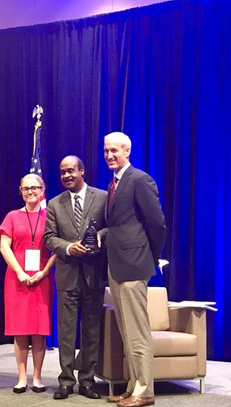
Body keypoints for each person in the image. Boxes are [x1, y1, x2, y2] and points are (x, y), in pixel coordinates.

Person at [103, 132, 166, 407]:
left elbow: (157, 224)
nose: (109, 155)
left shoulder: (139, 179)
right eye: (106, 151)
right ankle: (133, 386)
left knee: (138, 332)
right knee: (126, 332)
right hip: (116, 266)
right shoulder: (114, 183)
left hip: (134, 265)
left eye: (114, 150)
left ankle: (145, 390)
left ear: (127, 151)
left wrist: (150, 257)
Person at [44, 155, 107, 400]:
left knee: (92, 331)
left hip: (94, 275)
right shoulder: (54, 203)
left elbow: (112, 227)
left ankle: (87, 381)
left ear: (82, 171)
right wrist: (70, 247)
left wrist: (98, 238)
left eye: (71, 170)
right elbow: (49, 237)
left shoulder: (102, 197)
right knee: (66, 332)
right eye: (62, 172)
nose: (66, 175)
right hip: (67, 275)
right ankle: (66, 381)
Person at [0, 174, 56, 394]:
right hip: (16, 278)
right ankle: (21, 378)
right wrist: (20, 271)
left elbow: (57, 248)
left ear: (42, 190)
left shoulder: (50, 216)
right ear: (20, 191)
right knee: (19, 329)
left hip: (42, 278)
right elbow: (4, 247)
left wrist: (44, 272)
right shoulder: (12, 216)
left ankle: (37, 377)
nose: (30, 192)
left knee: (39, 330)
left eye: (34, 188)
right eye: (26, 188)